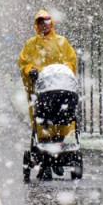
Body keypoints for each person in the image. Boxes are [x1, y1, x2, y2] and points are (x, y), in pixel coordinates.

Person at [18, 10, 77, 180]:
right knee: (42, 123)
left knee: (61, 121)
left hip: (59, 88)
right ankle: (46, 163)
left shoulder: (61, 42)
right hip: (40, 91)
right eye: (40, 22)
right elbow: (24, 63)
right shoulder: (31, 44)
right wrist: (31, 71)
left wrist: (64, 69)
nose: (44, 25)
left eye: (46, 22)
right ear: (36, 25)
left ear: (51, 23)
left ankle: (55, 159)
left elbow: (71, 61)